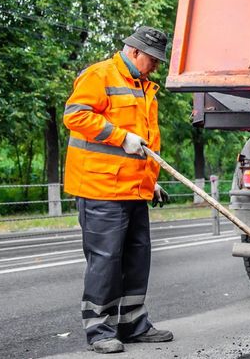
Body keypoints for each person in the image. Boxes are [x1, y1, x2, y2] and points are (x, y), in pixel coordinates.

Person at [63, 26, 173, 354]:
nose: (156, 66)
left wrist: (150, 183)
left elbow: (146, 145)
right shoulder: (100, 75)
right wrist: (119, 135)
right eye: (152, 59)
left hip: (132, 189)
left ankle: (133, 324)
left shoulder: (143, 86)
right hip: (99, 188)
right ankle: (99, 330)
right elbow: (75, 115)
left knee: (137, 258)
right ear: (134, 50)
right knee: (106, 260)